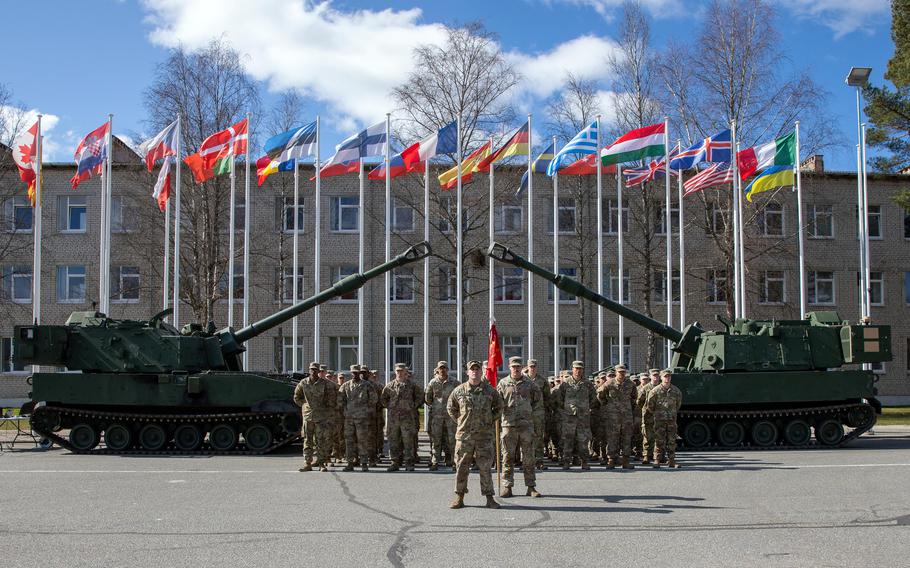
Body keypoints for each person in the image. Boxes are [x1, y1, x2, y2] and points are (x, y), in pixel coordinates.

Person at [447, 360, 503, 509]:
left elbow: (499, 407)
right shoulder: (459, 390)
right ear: (467, 372)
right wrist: (460, 420)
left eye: (478, 369)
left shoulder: (490, 391)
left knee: (485, 467)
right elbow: (451, 408)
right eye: (472, 369)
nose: (475, 372)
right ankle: (459, 497)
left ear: (481, 372)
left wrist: (490, 420)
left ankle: (489, 498)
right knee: (461, 467)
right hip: (464, 436)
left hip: (484, 436)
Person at [497, 356, 543, 498]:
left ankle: (531, 487)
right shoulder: (503, 383)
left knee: (528, 457)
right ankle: (507, 486)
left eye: (518, 366)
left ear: (521, 367)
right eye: (513, 367)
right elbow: (498, 403)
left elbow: (536, 400)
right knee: (507, 456)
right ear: (509, 367)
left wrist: (526, 411)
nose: (516, 369)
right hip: (508, 425)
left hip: (525, 425)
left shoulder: (529, 384)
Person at [551, 361, 597, 470]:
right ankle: (566, 461)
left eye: (580, 369)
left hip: (583, 417)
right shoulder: (565, 383)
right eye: (576, 368)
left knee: (583, 440)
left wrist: (585, 407)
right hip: (569, 417)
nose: (578, 371)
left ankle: (584, 462)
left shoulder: (587, 383)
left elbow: (594, 398)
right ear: (572, 369)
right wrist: (567, 408)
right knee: (568, 439)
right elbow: (559, 398)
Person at [293, 362, 337, 472]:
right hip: (308, 415)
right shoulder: (303, 383)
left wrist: (326, 409)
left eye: (315, 370)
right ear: (309, 370)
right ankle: (308, 463)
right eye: (311, 369)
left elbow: (331, 398)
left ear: (319, 371)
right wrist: (304, 405)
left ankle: (321, 463)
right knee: (308, 440)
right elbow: (296, 397)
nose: (313, 371)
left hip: (321, 416)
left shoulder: (325, 384)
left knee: (320, 440)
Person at [380, 363, 424, 471]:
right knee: (393, 440)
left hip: (407, 419)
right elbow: (383, 399)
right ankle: (395, 462)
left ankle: (409, 463)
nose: (399, 373)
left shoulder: (412, 385)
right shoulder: (390, 386)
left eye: (401, 371)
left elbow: (421, 396)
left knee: (408, 440)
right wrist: (391, 407)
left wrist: (413, 406)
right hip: (393, 419)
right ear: (395, 372)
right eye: (398, 371)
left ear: (406, 372)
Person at [338, 364, 378, 472]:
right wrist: (345, 410)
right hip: (349, 418)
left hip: (362, 418)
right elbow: (340, 400)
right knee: (349, 441)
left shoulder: (367, 385)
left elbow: (374, 399)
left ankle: (364, 463)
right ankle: (350, 463)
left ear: (360, 373)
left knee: (362, 440)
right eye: (353, 373)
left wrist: (366, 410)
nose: (354, 375)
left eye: (356, 373)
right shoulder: (345, 386)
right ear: (350, 373)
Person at [598, 363, 637, 469]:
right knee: (612, 438)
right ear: (616, 373)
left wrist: (628, 407)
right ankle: (611, 460)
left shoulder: (630, 384)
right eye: (620, 372)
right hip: (612, 416)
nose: (622, 374)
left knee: (626, 438)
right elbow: (600, 395)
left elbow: (634, 398)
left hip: (626, 417)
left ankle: (625, 460)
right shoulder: (609, 383)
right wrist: (607, 405)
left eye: (623, 372)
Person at [424, 361, 459, 470]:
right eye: (440, 368)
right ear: (437, 370)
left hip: (450, 416)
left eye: (444, 368)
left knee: (452, 440)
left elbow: (460, 397)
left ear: (447, 369)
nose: (442, 370)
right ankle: (435, 462)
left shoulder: (454, 382)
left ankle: (455, 462)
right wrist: (435, 407)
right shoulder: (433, 382)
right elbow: (427, 398)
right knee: (436, 439)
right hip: (437, 416)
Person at [646, 369, 683, 468]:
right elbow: (650, 406)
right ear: (661, 378)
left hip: (671, 420)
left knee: (672, 441)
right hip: (659, 420)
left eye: (669, 376)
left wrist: (671, 413)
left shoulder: (676, 391)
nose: (667, 378)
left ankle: (671, 461)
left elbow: (678, 404)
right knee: (659, 440)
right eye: (665, 376)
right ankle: (657, 460)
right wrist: (658, 414)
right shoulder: (655, 391)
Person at [525, 359, 550, 470]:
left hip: (538, 413)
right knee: (525, 438)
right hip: (525, 413)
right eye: (531, 366)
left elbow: (547, 397)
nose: (532, 368)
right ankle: (526, 461)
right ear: (527, 367)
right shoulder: (523, 379)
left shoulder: (542, 381)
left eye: (534, 366)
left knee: (538, 437)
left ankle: (539, 460)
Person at [638, 369, 661, 465]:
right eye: (654, 375)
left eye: (657, 376)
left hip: (659, 416)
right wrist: (645, 410)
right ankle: (646, 455)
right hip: (648, 416)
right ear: (650, 377)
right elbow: (639, 402)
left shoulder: (661, 387)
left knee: (659, 436)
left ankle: (659, 456)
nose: (655, 377)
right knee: (647, 436)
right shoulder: (646, 388)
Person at [368, 367, 384, 464]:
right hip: (363, 415)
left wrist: (377, 408)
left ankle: (378, 452)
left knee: (376, 434)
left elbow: (383, 399)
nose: (374, 376)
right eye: (372, 374)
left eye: (375, 375)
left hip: (376, 414)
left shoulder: (378, 386)